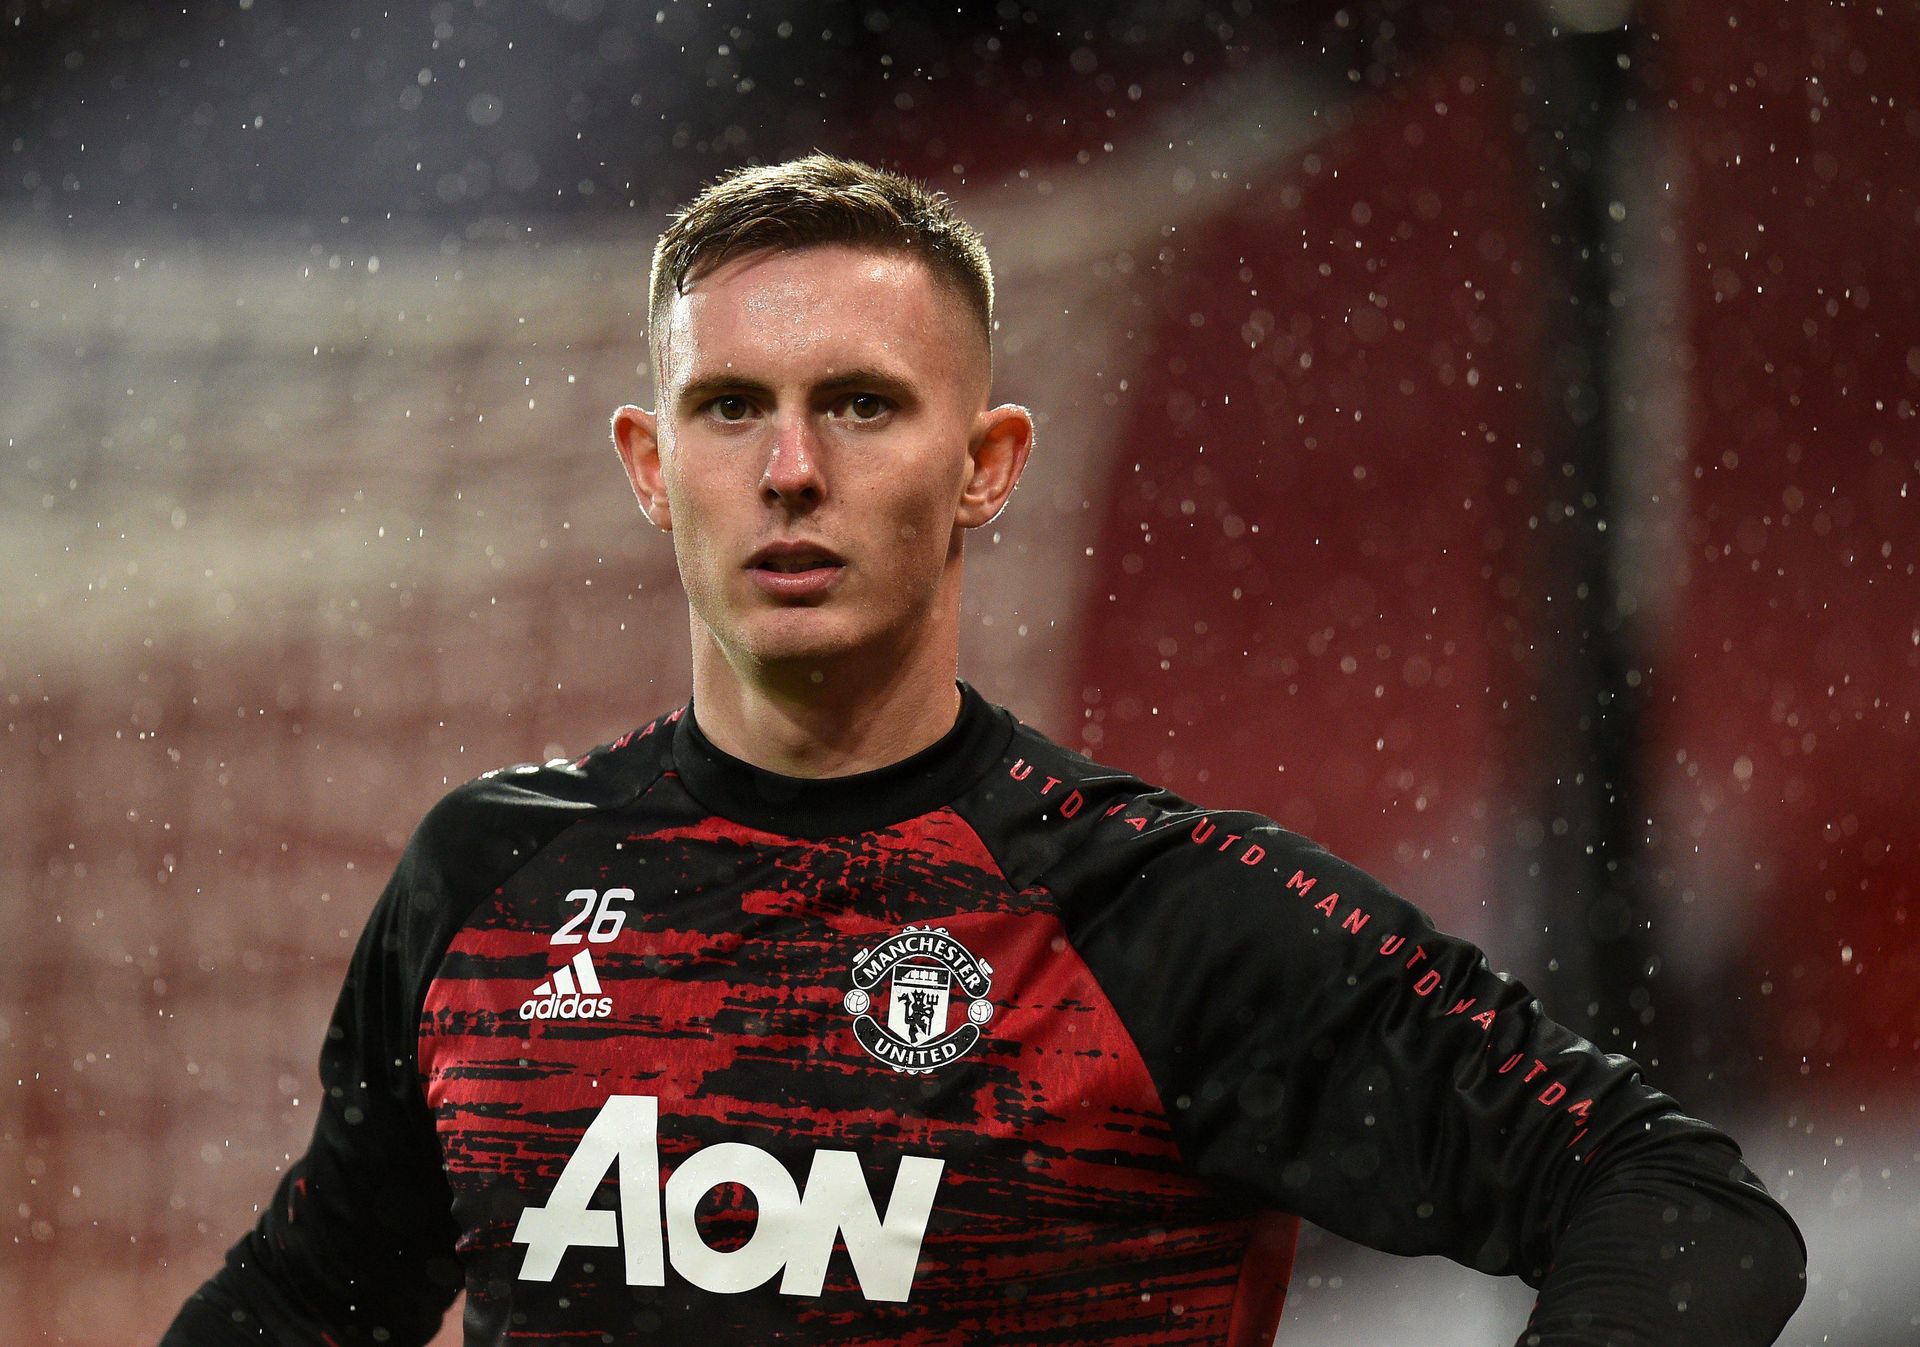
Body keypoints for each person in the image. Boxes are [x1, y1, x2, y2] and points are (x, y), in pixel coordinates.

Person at [161, 153, 1805, 1347]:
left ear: (988, 464)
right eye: (730, 407)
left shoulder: (1155, 918)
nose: (789, 468)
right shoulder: (490, 880)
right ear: (651, 467)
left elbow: (1670, 1198)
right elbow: (310, 1300)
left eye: (862, 404)